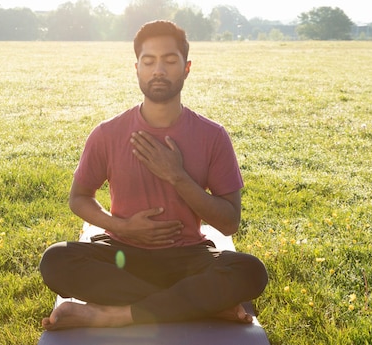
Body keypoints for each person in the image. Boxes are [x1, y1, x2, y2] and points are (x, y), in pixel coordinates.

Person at [39, 20, 267, 330]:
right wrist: (122, 228)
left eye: (170, 61)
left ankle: (114, 314)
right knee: (56, 261)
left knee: (250, 271)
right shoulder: (108, 133)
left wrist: (177, 176)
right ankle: (197, 306)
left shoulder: (212, 135)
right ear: (137, 68)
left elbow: (229, 222)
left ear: (186, 68)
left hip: (188, 257)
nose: (158, 70)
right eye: (149, 61)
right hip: (122, 255)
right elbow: (79, 198)